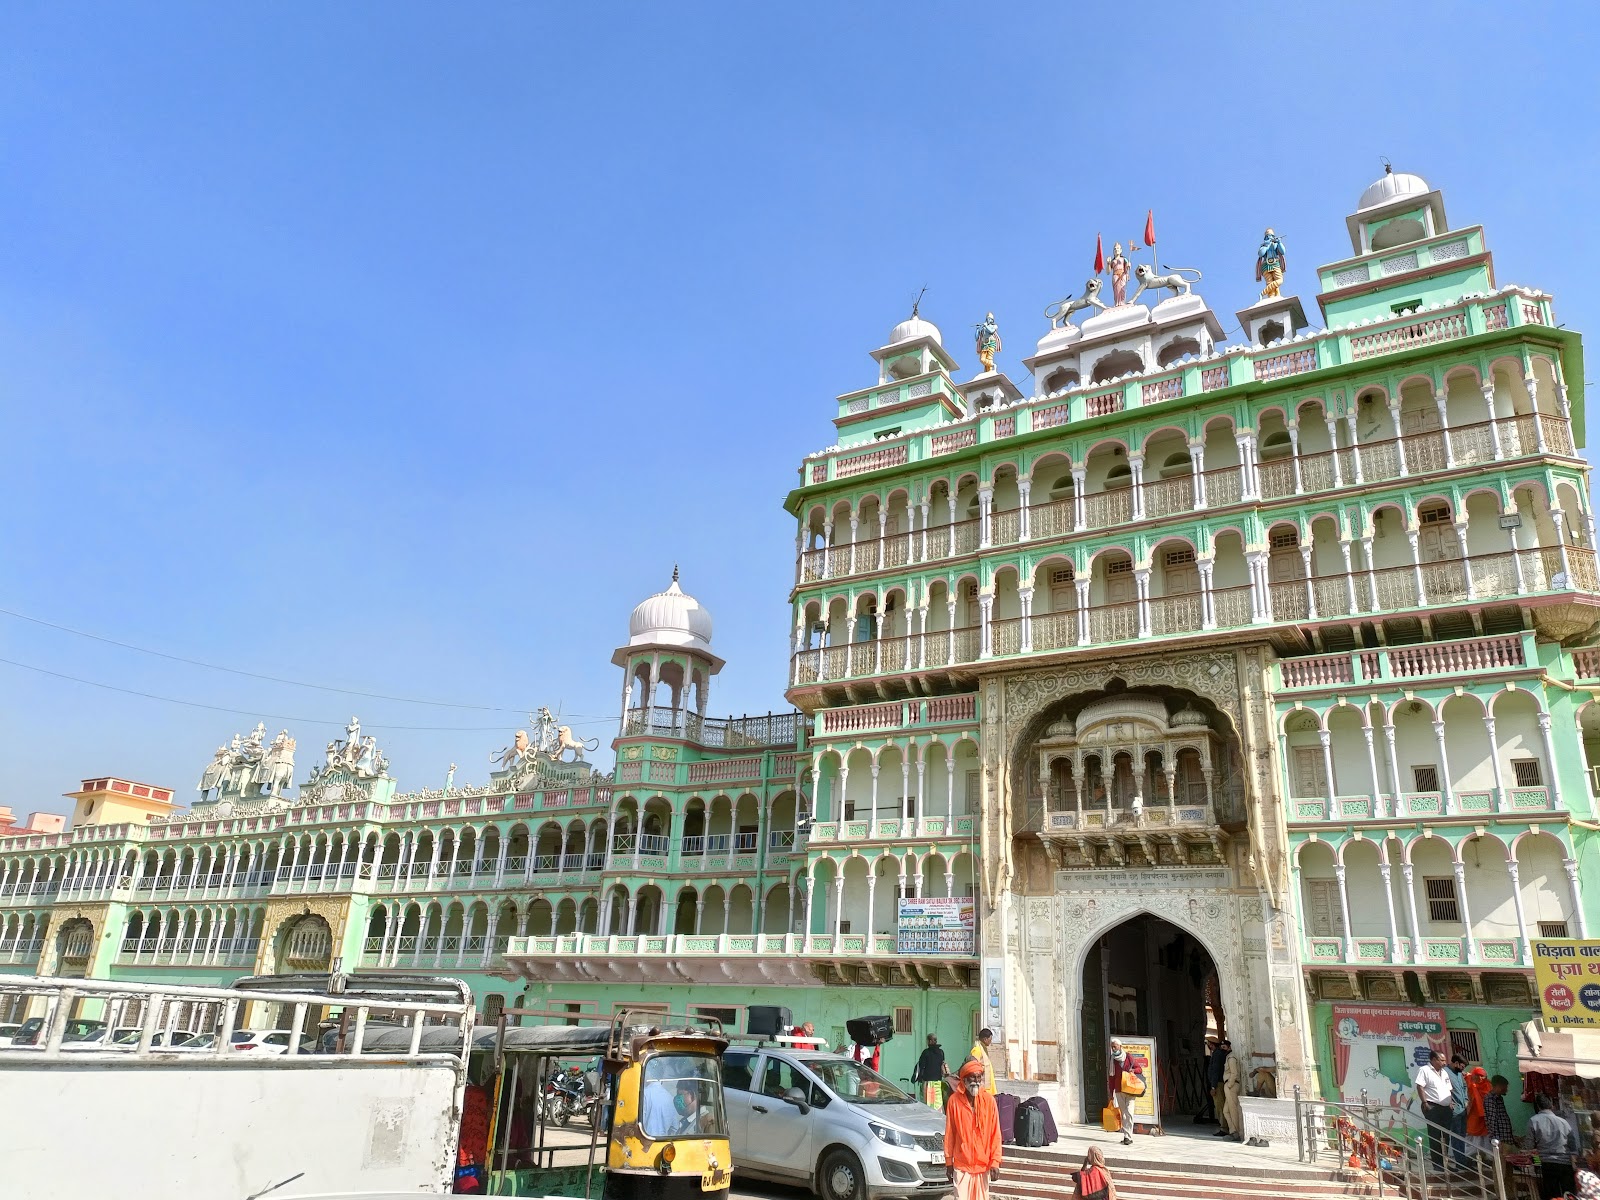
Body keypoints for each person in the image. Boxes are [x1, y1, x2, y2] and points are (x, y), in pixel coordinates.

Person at [945, 1059, 1002, 1200]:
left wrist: (995, 1161)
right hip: (962, 1165)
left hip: (983, 1166)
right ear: (964, 1079)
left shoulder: (989, 1101)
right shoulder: (954, 1101)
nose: (976, 1081)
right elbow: (950, 1134)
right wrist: (948, 1162)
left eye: (979, 1077)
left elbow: (995, 1134)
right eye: (972, 1077)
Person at [1527, 1093, 1578, 1199]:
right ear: (1552, 1106)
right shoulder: (1563, 1122)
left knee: (1552, 1195)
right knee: (1569, 1195)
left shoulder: (1534, 1121)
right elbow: (1573, 1145)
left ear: (1538, 1106)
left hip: (1547, 1164)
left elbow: (1529, 1145)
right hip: (1565, 1163)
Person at [1414, 1050, 1455, 1172]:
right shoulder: (1424, 1070)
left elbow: (1449, 1089)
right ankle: (1437, 1163)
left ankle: (1445, 1162)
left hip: (1446, 1108)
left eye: (1444, 1060)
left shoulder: (1445, 1073)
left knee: (1446, 1135)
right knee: (1435, 1135)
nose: (1444, 1062)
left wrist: (1451, 1102)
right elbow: (1419, 1086)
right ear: (1433, 1060)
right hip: (1432, 1106)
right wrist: (1424, 1102)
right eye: (1441, 1060)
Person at [1108, 1038, 1140, 1146]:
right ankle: (1126, 1136)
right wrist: (1111, 1092)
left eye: (1115, 1046)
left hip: (1130, 1089)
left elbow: (1139, 1069)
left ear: (1120, 1046)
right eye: (1112, 1047)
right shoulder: (1112, 1059)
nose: (1113, 1049)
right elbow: (1111, 1077)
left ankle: (1128, 1136)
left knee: (1129, 1112)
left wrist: (1133, 1070)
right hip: (1119, 1090)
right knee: (1124, 1114)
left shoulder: (1128, 1057)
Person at [1463, 1066, 1492, 1158]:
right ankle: (1470, 1156)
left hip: (1486, 1117)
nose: (1480, 1078)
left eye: (1482, 1076)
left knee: (1486, 1136)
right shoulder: (1470, 1083)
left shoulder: (1488, 1085)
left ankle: (1488, 1156)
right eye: (1477, 1075)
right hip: (1473, 1115)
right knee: (1473, 1135)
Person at [914, 1034, 949, 1109]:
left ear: (929, 1041)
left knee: (927, 1102)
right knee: (937, 1102)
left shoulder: (925, 1052)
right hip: (937, 1082)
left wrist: (919, 1078)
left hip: (927, 1083)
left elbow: (921, 1066)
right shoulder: (941, 1052)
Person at [1447, 1054, 1470, 1167]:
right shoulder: (1445, 1072)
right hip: (1454, 1110)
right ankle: (1459, 1161)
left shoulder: (1459, 1074)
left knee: (1462, 1135)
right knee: (1456, 1135)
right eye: (1462, 1066)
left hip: (1463, 1108)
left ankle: (1462, 1160)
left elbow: (1464, 1087)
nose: (1463, 1069)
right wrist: (1449, 1102)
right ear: (1455, 1063)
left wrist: (1466, 1099)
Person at [1482, 1074, 1514, 1151]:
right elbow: (1492, 1120)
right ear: (1498, 1086)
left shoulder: (1499, 1098)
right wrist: (1496, 1139)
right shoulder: (1490, 1099)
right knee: (1500, 1160)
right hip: (1500, 1139)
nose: (1506, 1089)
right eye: (1505, 1086)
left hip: (1505, 1136)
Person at [1220, 1042, 1243, 1144]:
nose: (1223, 1049)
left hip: (1231, 1085)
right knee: (1226, 1110)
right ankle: (1232, 1130)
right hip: (1229, 1085)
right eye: (1222, 1047)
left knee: (1232, 1109)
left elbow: (1234, 1073)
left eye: (1224, 1047)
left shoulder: (1231, 1058)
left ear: (1229, 1047)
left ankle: (1236, 1133)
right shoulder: (1228, 1057)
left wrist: (1229, 1084)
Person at [1208, 1039, 1232, 1135]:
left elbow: (1216, 1070)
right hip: (1218, 1082)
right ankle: (1224, 1126)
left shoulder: (1217, 1054)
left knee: (1220, 1106)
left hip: (1218, 1083)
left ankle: (1224, 1128)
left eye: (1208, 1043)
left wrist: (1213, 1086)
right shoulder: (1218, 1053)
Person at [967, 1028, 997, 1095]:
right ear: (985, 1039)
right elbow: (973, 1066)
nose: (990, 1041)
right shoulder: (977, 1049)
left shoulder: (983, 1049)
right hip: (981, 1085)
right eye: (990, 1039)